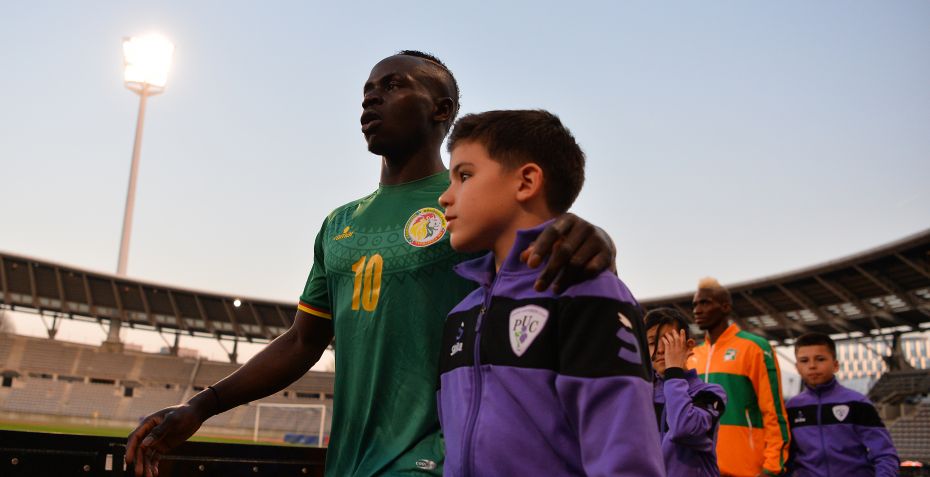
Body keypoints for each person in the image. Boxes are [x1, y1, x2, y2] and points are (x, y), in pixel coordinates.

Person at [125, 51, 617, 477]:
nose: (371, 99)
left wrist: (594, 240)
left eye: (393, 85)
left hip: (437, 461)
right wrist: (202, 405)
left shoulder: (468, 204)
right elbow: (302, 341)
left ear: (441, 110)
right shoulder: (339, 223)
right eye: (367, 91)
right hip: (350, 461)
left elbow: (547, 249)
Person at [435, 109, 663, 476]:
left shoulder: (590, 295)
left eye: (464, 175)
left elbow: (625, 456)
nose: (445, 197)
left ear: (526, 182)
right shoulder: (460, 315)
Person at [689, 277, 790, 477]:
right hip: (700, 470)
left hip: (747, 470)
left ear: (725, 307)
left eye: (705, 303)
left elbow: (774, 413)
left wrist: (772, 468)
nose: (697, 310)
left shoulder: (755, 348)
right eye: (695, 305)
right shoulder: (692, 356)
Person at [786, 332, 899, 477]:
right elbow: (785, 459)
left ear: (835, 365)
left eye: (820, 359)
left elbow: (884, 454)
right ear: (797, 367)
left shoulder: (857, 403)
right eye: (804, 361)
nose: (812, 366)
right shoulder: (791, 408)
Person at [646, 307, 726, 477]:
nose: (659, 349)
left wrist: (673, 371)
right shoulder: (642, 394)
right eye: (652, 343)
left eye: (668, 340)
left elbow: (684, 429)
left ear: (688, 346)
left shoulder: (711, 393)